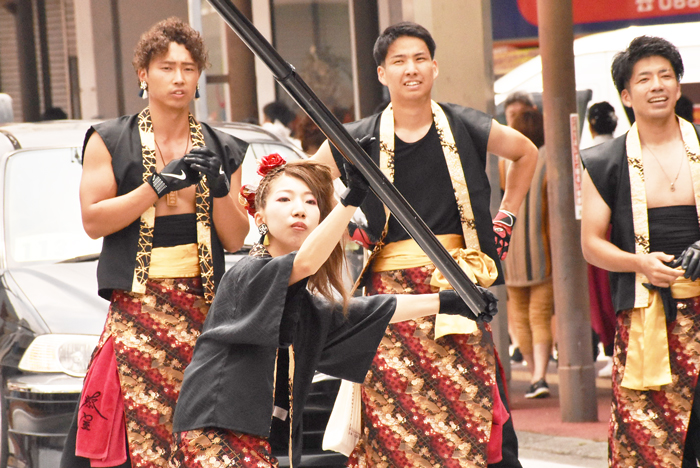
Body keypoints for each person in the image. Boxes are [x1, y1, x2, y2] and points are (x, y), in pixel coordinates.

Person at [169, 155, 497, 467]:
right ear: (260, 217)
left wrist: (448, 301)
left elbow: (367, 310)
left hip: (250, 435)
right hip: (215, 427)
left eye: (311, 202)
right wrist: (351, 199)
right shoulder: (249, 272)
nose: (299, 209)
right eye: (284, 200)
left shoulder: (303, 299)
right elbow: (307, 262)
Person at [313, 21, 537, 468]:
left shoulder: (465, 124)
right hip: (389, 295)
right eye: (398, 61)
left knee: (464, 409)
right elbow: (306, 180)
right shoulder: (360, 136)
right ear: (382, 73)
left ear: (434, 67)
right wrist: (348, 219)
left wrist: (506, 217)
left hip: (458, 286)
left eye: (419, 59)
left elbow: (526, 152)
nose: (410, 69)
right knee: (394, 414)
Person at [60, 18, 249, 468]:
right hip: (138, 309)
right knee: (141, 433)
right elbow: (93, 221)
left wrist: (219, 188)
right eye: (167, 67)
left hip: (208, 310)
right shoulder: (109, 139)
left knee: (205, 435)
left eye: (189, 67)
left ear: (200, 76)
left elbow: (237, 236)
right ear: (143, 74)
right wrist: (157, 185)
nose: (179, 77)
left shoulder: (225, 147)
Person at [580, 35, 700, 468]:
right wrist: (640, 263)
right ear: (627, 95)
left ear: (678, 85)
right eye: (644, 78)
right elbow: (592, 243)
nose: (657, 85)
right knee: (651, 440)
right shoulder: (605, 161)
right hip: (647, 311)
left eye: (665, 75)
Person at [502, 108, 553, 399]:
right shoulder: (548, 160)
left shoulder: (502, 163)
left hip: (510, 253)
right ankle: (540, 376)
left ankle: (533, 373)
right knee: (540, 316)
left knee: (520, 317)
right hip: (543, 251)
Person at [502, 91, 538, 364]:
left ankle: (537, 370)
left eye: (519, 115)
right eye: (510, 116)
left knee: (536, 312)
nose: (514, 121)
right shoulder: (504, 159)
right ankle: (536, 369)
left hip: (534, 246)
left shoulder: (539, 156)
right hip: (518, 246)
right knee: (526, 311)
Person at [584, 101, 619, 378]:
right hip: (619, 234)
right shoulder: (623, 149)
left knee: (602, 297)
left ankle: (612, 349)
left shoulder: (588, 156)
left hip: (599, 233)